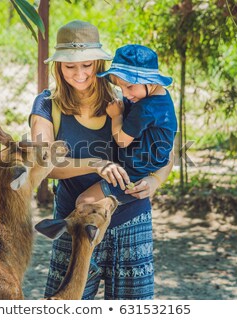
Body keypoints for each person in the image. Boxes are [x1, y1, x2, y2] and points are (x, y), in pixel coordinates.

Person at [30, 20, 173, 300]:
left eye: (87, 64)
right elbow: (42, 165)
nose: (80, 74)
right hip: (75, 222)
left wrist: (155, 180)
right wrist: (97, 163)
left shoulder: (125, 98)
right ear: (58, 67)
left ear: (99, 63)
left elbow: (164, 150)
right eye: (70, 66)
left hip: (130, 217)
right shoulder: (46, 104)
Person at [75, 44, 177, 207]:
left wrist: (117, 116)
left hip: (132, 174)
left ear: (150, 82)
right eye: (120, 87)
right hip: (146, 165)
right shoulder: (161, 96)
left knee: (83, 202)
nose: (125, 94)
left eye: (129, 86)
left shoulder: (145, 109)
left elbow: (122, 140)